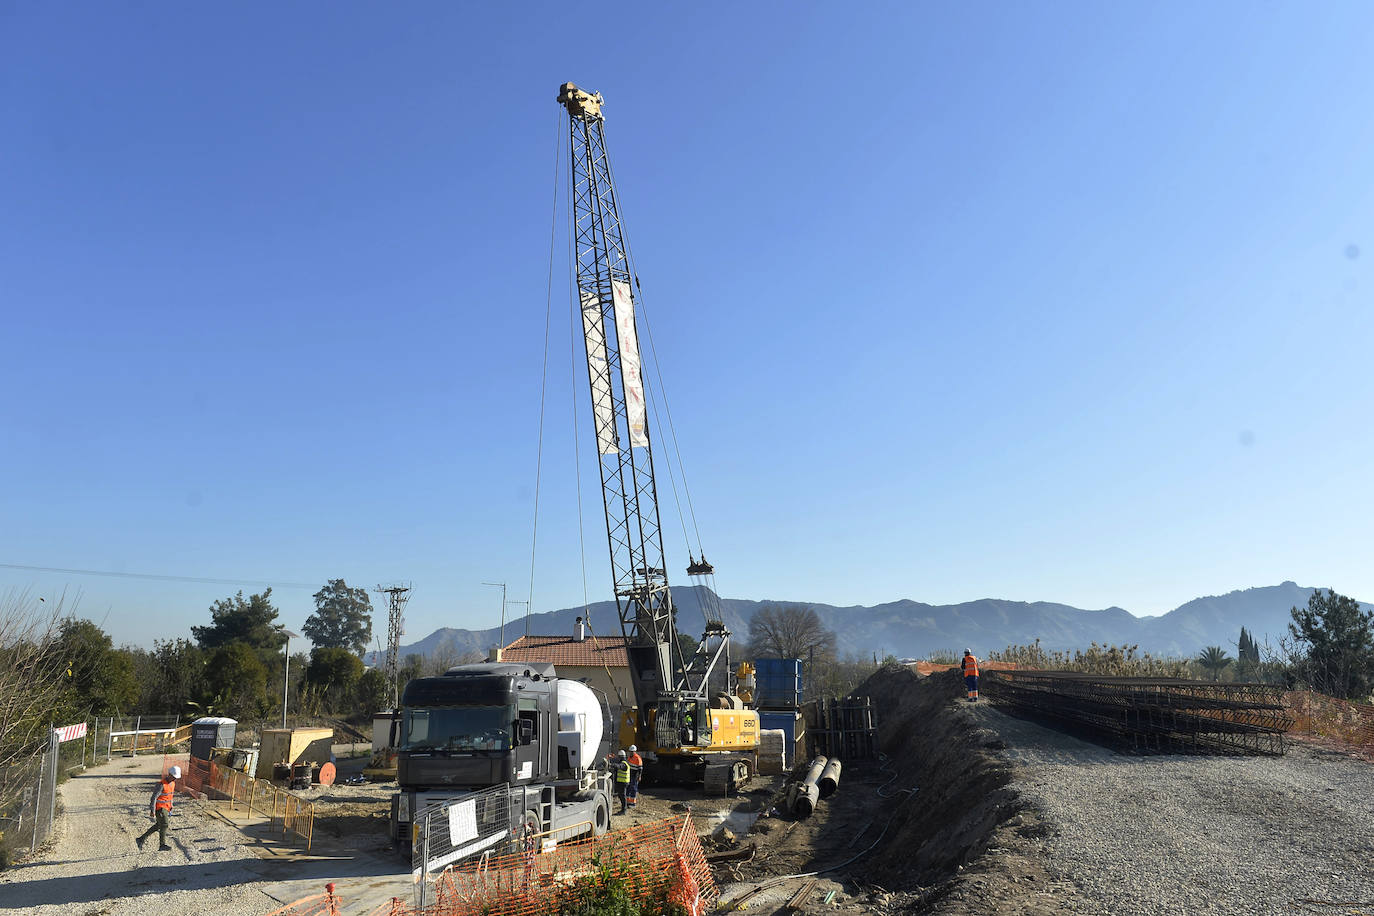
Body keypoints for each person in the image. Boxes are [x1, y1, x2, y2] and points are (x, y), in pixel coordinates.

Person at [137, 765, 180, 851]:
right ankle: (162, 845)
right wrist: (152, 810)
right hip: (160, 809)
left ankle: (141, 839)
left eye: (176, 777)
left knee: (158, 825)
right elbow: (154, 797)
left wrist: (171, 806)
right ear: (170, 774)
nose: (175, 779)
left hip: (166, 808)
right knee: (164, 824)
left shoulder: (172, 783)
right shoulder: (161, 784)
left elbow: (170, 796)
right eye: (174, 777)